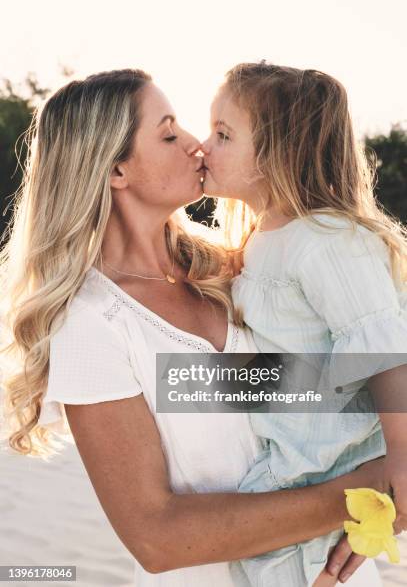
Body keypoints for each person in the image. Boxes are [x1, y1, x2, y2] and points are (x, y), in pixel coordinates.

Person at [0, 69, 387, 587]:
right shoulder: (91, 325)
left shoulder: (239, 270)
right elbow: (156, 538)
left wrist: (386, 493)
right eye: (167, 132)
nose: (194, 145)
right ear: (116, 170)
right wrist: (364, 494)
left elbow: (353, 380)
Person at [201, 61, 407, 586]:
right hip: (287, 460)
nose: (204, 146)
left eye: (223, 135)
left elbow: (382, 348)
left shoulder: (329, 239)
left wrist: (404, 455)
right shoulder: (265, 235)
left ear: (277, 154)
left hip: (320, 465)